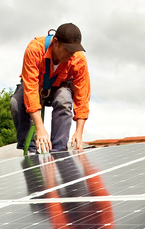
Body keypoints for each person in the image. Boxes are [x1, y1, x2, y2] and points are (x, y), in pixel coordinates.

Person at [10, 23, 90, 154]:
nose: (71, 55)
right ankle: (30, 149)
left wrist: (79, 132)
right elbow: (30, 90)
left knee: (63, 99)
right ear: (56, 42)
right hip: (37, 86)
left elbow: (82, 96)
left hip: (61, 86)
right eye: (68, 50)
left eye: (74, 51)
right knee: (16, 103)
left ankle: (58, 151)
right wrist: (40, 129)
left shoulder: (78, 60)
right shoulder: (35, 49)